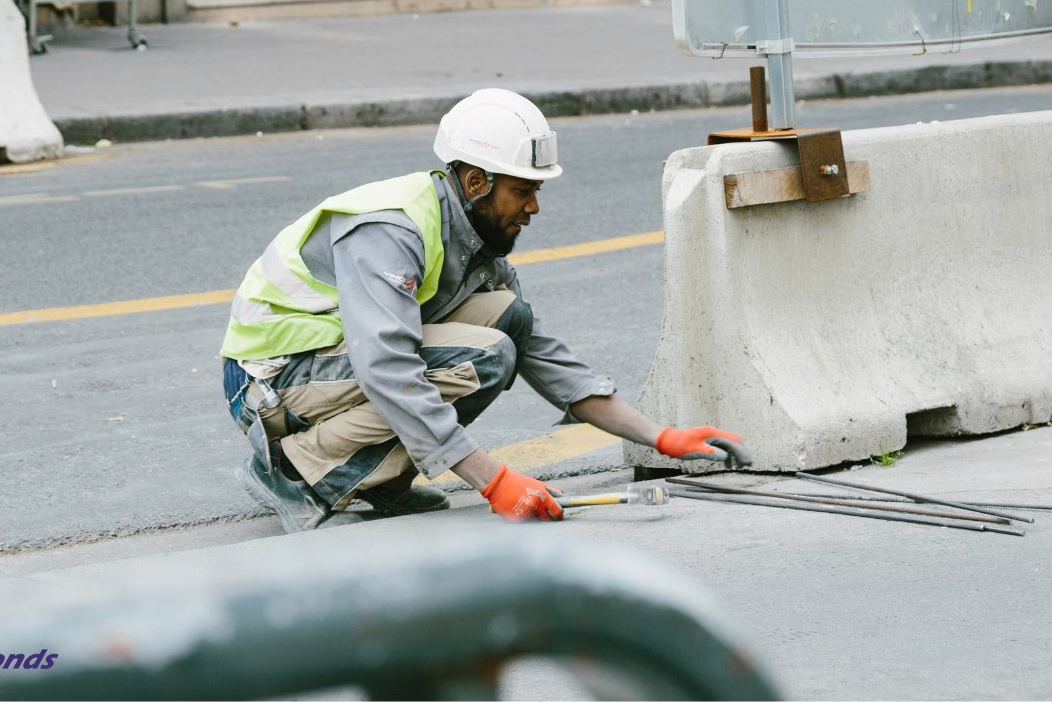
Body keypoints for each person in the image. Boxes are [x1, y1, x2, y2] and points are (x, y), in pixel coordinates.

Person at [220, 88, 750, 531]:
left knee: (508, 322)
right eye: (523, 191)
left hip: (326, 369)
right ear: (476, 183)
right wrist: (492, 481)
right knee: (486, 356)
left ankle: (378, 483)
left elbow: (545, 357)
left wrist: (660, 437)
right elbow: (387, 367)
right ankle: (295, 475)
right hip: (270, 381)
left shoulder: (475, 241)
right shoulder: (391, 229)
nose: (534, 207)